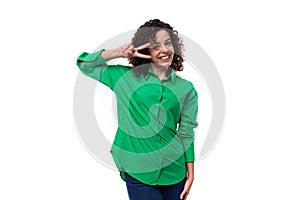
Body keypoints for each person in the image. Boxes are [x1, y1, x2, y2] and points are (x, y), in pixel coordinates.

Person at [76, 19, 198, 200]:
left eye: (168, 43)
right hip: (138, 170)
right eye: (156, 46)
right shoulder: (124, 78)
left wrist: (191, 173)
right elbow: (85, 65)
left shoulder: (186, 88)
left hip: (175, 172)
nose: (164, 50)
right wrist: (118, 52)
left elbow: (186, 132)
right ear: (146, 50)